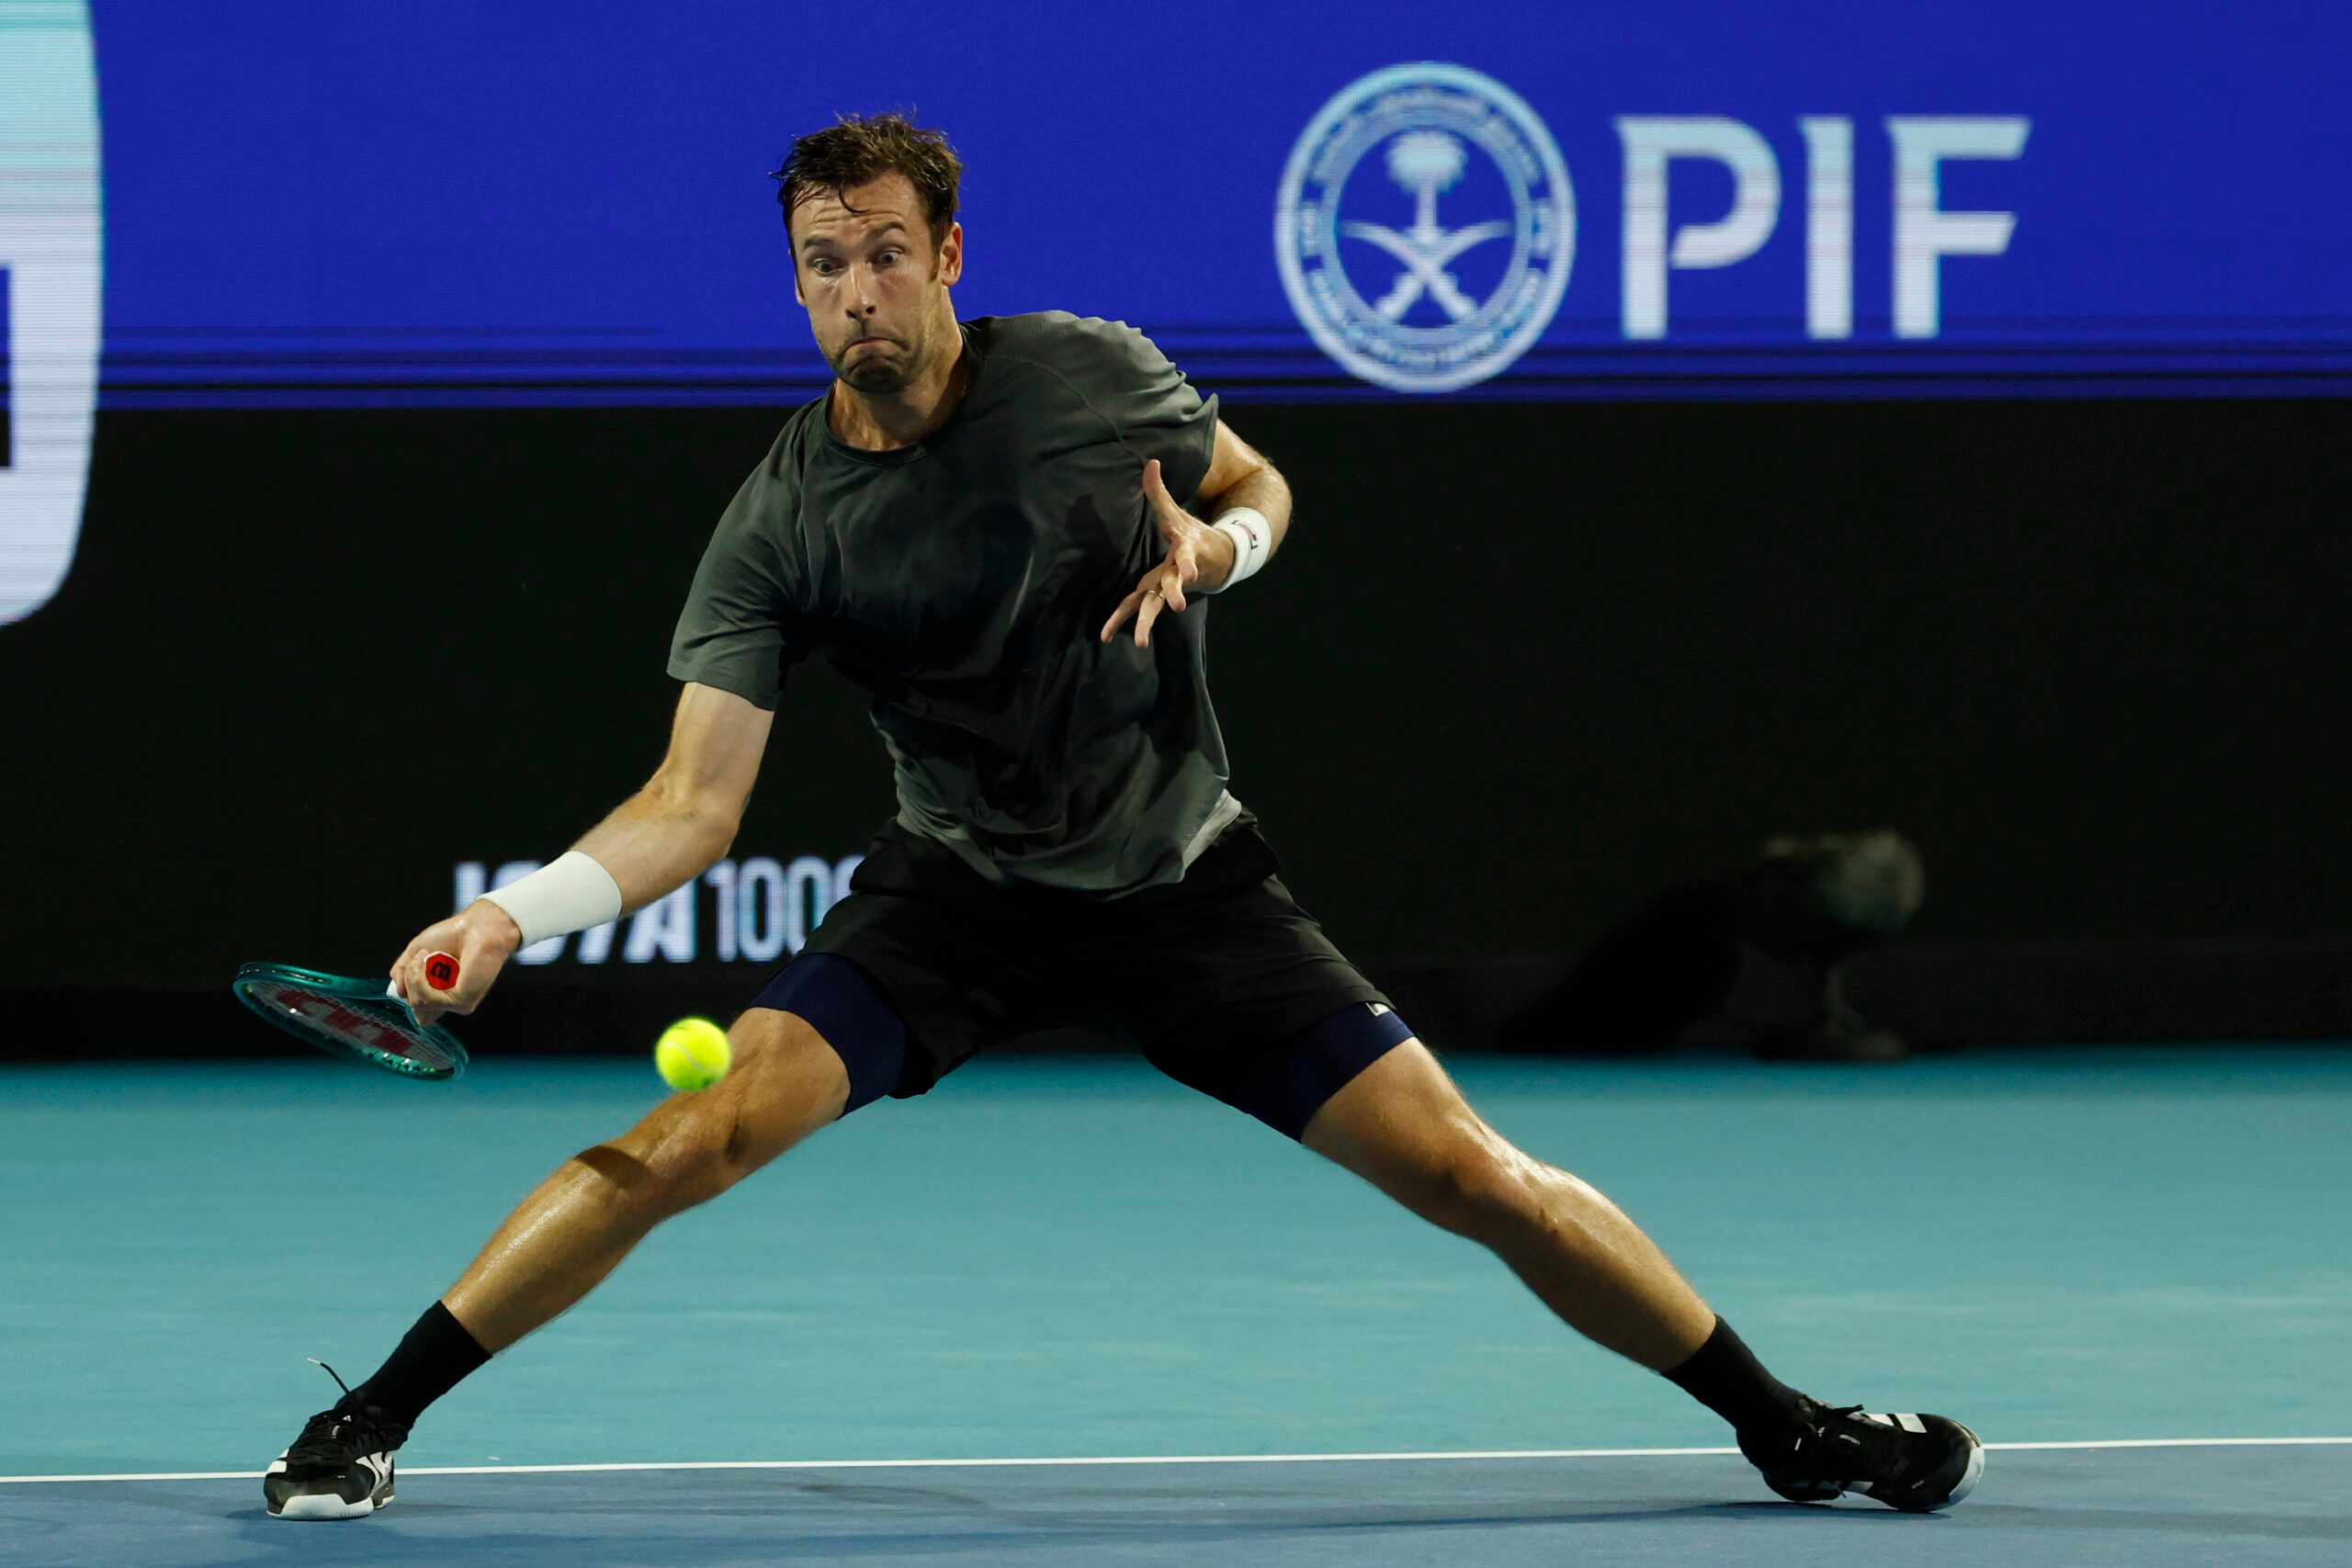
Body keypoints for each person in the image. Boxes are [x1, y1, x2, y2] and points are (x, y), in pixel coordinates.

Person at [263, 114, 1980, 1522]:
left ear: (946, 258)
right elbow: (690, 806)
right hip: (958, 896)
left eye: (882, 253)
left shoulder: (1088, 377)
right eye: (820, 264)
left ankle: (1788, 1426)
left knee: (1479, 1177)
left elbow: (1257, 482)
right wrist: (518, 915)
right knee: (687, 1144)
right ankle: (372, 1417)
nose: (855, 291)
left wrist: (1215, 552)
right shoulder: (780, 523)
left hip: (1182, 881)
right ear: (793, 284)